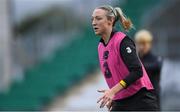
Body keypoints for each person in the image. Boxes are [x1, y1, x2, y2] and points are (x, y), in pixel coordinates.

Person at [91, 5, 159, 111]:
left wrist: (113, 91)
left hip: (140, 100)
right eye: (93, 19)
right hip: (122, 102)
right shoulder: (100, 47)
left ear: (110, 20)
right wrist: (116, 95)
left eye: (98, 18)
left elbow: (137, 71)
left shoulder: (122, 41)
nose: (94, 22)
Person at [135, 30, 163, 108]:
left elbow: (156, 66)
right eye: (139, 43)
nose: (141, 46)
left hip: (153, 98)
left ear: (149, 44)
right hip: (138, 99)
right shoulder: (136, 60)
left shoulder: (156, 59)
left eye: (144, 43)